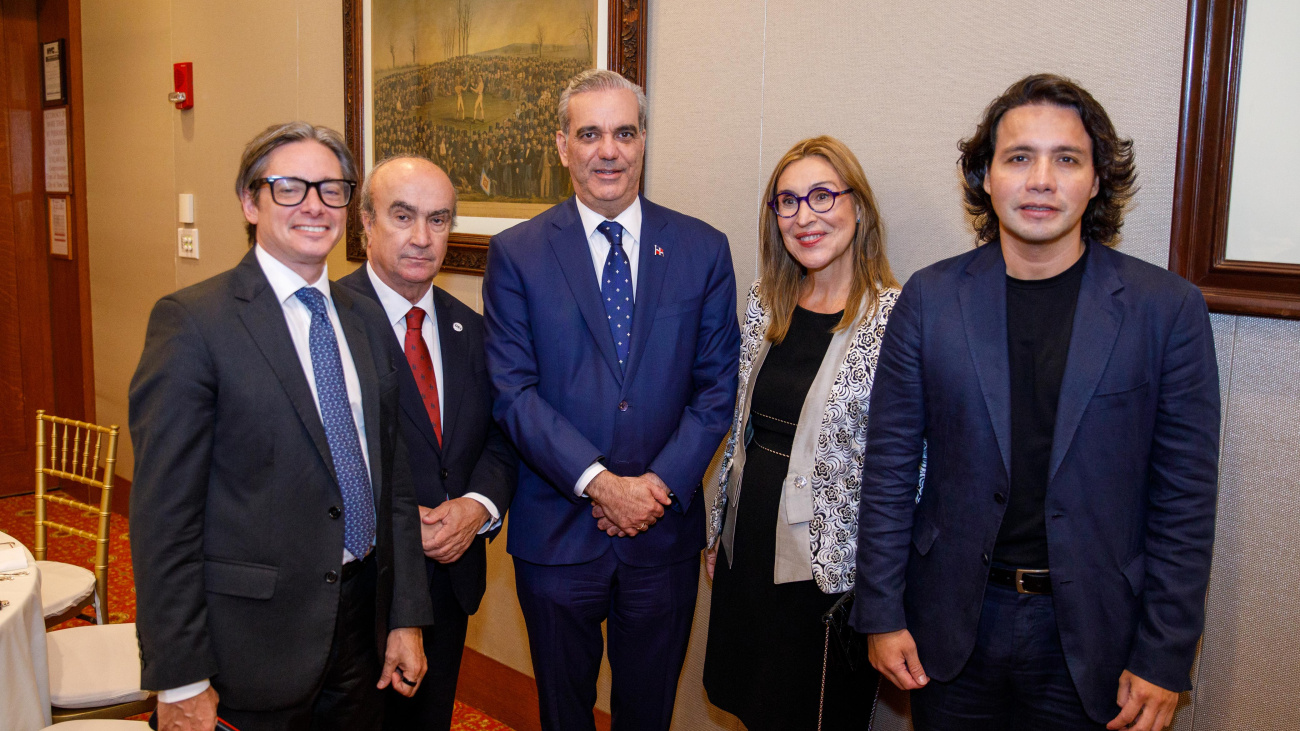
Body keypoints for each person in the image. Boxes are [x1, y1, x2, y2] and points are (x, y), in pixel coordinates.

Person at [853, 74, 1221, 731]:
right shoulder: (930, 301)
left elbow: (1185, 499)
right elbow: (887, 470)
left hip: (1097, 634)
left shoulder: (1166, 311)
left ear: (1097, 180)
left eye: (1067, 159)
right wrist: (881, 612)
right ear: (985, 177)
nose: (1041, 180)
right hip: (953, 626)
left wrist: (1165, 653)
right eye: (1019, 157)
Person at [129, 122, 434, 731]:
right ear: (250, 202)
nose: (314, 206)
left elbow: (394, 486)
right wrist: (181, 677)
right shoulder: (194, 324)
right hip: (250, 643)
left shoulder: (365, 320)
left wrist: (405, 617)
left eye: (332, 189)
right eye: (290, 187)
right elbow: (164, 519)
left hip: (361, 630)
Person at [482, 68, 740, 731]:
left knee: (648, 714)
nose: (608, 151)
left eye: (624, 133)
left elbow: (717, 386)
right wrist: (601, 484)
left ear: (644, 140)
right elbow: (512, 391)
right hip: (556, 533)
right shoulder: (517, 254)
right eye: (589, 134)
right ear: (562, 145)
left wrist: (655, 487)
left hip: (662, 533)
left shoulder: (703, 249)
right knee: (563, 714)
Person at [701, 136, 893, 730]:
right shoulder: (767, 301)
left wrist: (887, 587)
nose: (804, 216)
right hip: (749, 543)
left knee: (812, 714)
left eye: (822, 196)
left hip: (829, 569)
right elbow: (740, 425)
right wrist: (717, 528)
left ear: (858, 206)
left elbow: (909, 469)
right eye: (788, 201)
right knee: (754, 706)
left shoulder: (894, 317)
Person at [337, 155, 518, 730]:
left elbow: (501, 438)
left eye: (437, 220)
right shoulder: (328, 323)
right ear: (366, 223)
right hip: (356, 588)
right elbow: (304, 460)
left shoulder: (474, 330)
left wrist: (477, 507)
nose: (421, 237)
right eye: (403, 216)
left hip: (449, 579)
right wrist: (389, 522)